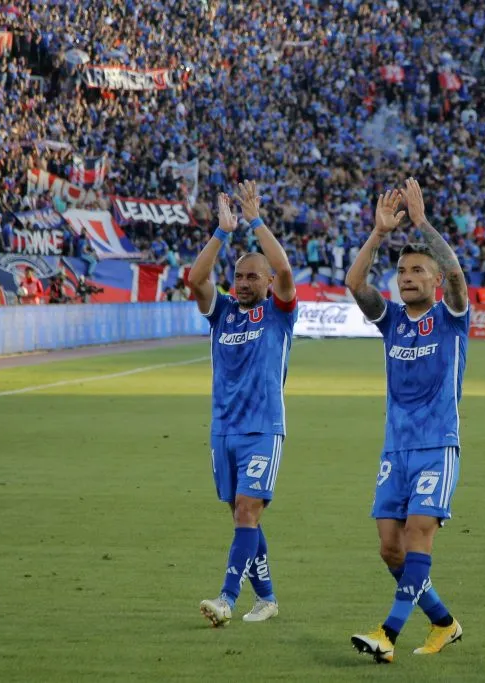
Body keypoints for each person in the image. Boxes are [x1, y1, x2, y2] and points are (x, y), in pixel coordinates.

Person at [345, 179, 469, 664]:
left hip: (437, 443)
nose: (407, 277)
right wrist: (378, 235)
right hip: (395, 448)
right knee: (390, 549)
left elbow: (458, 275)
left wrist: (421, 226)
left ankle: (388, 632)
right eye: (401, 271)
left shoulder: (451, 316)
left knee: (419, 531)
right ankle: (444, 623)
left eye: (418, 270)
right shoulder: (392, 320)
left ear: (434, 280)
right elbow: (356, 284)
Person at [187, 181, 298, 628]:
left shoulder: (279, 312)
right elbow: (196, 280)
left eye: (254, 276)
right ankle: (267, 597)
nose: (245, 282)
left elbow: (286, 271)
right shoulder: (224, 312)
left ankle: (227, 599)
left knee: (248, 510)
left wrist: (255, 221)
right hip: (223, 429)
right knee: (241, 517)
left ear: (267, 282)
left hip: (263, 427)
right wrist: (222, 232)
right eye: (240, 276)